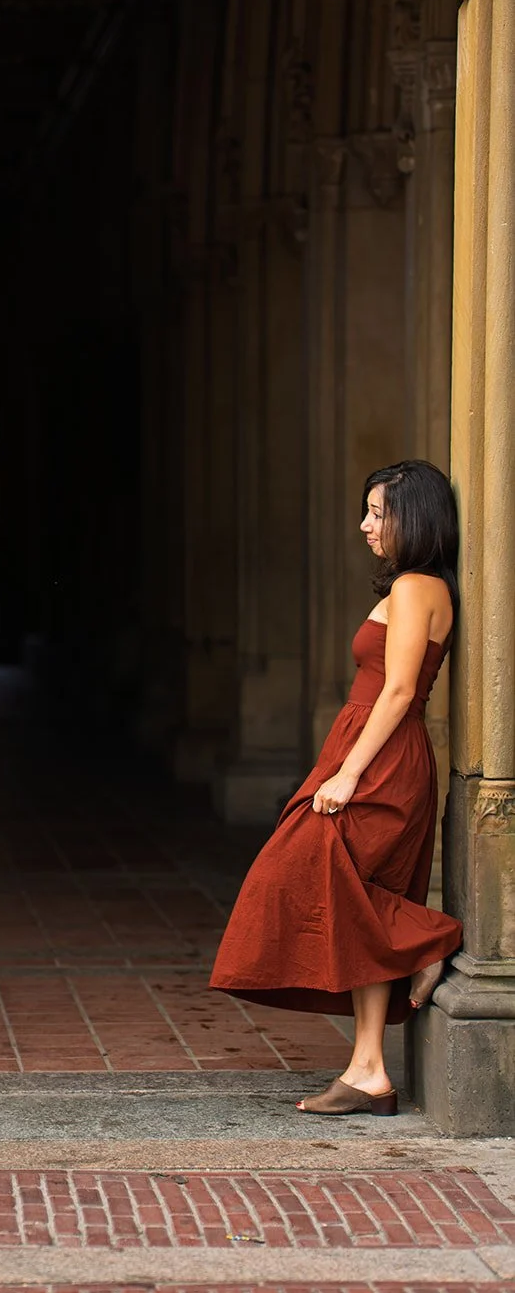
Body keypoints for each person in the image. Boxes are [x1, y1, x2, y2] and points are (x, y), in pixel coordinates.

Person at [210, 459, 463, 1116]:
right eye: (367, 511)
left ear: (415, 517)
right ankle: (369, 1071)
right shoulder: (419, 585)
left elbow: (401, 690)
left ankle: (431, 938)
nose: (364, 525)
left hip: (378, 761)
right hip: (369, 752)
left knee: (304, 869)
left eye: (378, 513)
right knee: (357, 898)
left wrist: (349, 773)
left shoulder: (415, 586)